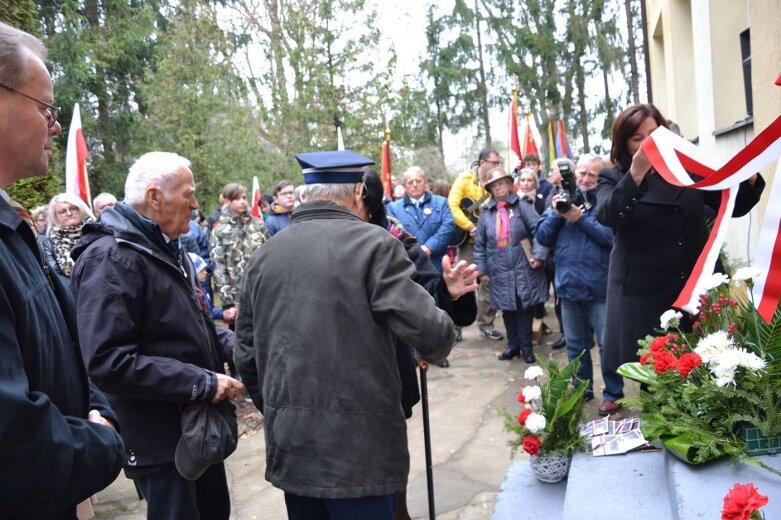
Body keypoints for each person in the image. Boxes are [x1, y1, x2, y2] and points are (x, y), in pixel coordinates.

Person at [235, 150, 455, 520]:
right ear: (357, 193)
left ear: (307, 194)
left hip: (294, 447)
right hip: (362, 455)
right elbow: (432, 334)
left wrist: (281, 411)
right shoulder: (375, 245)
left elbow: (246, 354)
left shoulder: (264, 255)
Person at [71, 152, 246, 519]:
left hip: (196, 431)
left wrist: (245, 345)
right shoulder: (112, 259)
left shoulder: (167, 248)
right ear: (155, 197)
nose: (196, 205)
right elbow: (108, 361)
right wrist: (201, 382)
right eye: (189, 194)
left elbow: (193, 326)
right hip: (162, 443)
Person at [0, 20, 124, 518]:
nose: (55, 125)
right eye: (46, 108)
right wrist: (101, 443)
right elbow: (14, 438)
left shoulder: (14, 225)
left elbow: (69, 344)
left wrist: (99, 409)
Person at [595, 103, 765, 416]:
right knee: (659, 380)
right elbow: (608, 215)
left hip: (697, 286)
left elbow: (732, 203)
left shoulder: (687, 169)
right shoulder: (613, 177)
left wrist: (748, 178)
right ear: (624, 144)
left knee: (709, 366)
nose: (648, 142)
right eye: (638, 138)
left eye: (654, 133)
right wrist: (636, 172)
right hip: (646, 296)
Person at [536, 153, 622, 405]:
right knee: (575, 346)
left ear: (601, 177)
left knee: (607, 346)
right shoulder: (559, 199)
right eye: (581, 173)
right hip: (568, 286)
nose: (585, 179)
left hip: (600, 288)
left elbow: (611, 237)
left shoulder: (607, 200)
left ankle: (613, 394)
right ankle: (581, 389)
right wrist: (556, 212)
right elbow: (541, 237)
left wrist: (580, 218)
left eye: (592, 175)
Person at [474, 167, 548, 363]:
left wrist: (539, 255)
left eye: (502, 183)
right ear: (490, 189)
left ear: (509, 184)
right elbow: (480, 244)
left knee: (524, 307)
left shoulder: (522, 206)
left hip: (523, 266)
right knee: (506, 309)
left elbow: (540, 230)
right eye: (494, 185)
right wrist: (482, 270)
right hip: (498, 269)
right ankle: (513, 345)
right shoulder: (486, 214)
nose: (498, 187)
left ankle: (526, 347)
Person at [448, 148, 505, 341]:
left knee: (488, 281)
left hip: (490, 242)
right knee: (462, 279)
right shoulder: (464, 180)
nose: (497, 166)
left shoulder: (497, 183)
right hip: (469, 242)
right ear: (482, 163)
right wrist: (469, 226)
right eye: (494, 162)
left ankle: (486, 323)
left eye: (499, 163)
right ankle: (456, 325)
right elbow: (452, 205)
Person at [210, 182, 269, 327]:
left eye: (244, 197)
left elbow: (269, 257)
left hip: (261, 292)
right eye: (237, 198)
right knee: (241, 340)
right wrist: (227, 302)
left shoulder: (258, 225)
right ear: (227, 201)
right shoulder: (219, 230)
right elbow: (218, 268)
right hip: (237, 297)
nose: (243, 201)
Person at [387, 166, 456, 273]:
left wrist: (429, 247)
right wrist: (414, 252)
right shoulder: (393, 208)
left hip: (438, 267)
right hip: (409, 269)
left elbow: (449, 227)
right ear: (404, 186)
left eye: (418, 181)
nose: (415, 185)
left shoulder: (442, 203)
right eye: (410, 182)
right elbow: (392, 235)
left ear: (425, 182)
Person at [40, 192, 94, 287]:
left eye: (73, 208)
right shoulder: (49, 243)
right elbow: (56, 276)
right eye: (62, 211)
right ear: (55, 217)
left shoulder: (96, 231)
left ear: (81, 209)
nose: (69, 213)